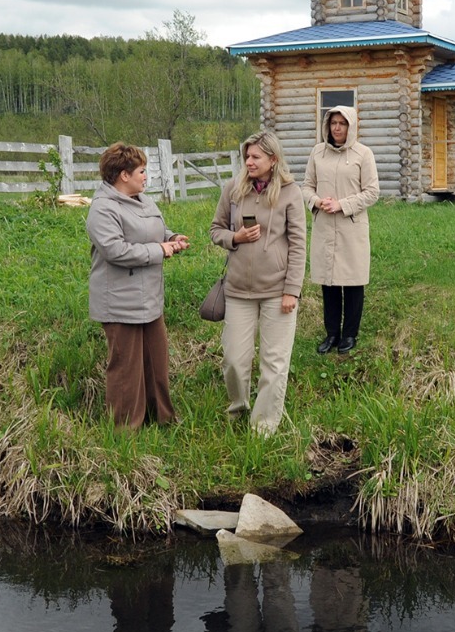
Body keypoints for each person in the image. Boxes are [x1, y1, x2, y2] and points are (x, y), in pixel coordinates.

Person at [210, 130, 306, 436]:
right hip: (238, 290)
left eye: (255, 157)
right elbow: (215, 229)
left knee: (274, 363)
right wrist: (234, 237)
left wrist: (292, 290)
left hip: (277, 291)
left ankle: (264, 427)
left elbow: (298, 244)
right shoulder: (233, 190)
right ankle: (238, 409)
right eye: (246, 157)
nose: (249, 162)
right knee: (234, 361)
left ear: (273, 160)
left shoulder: (291, 193)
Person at [86, 143, 189, 429]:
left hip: (149, 300)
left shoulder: (144, 200)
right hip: (119, 303)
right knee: (125, 370)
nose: (146, 176)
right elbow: (115, 250)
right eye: (142, 171)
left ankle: (162, 421)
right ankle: (125, 432)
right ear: (123, 175)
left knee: (156, 363)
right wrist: (160, 250)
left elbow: (152, 231)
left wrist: (173, 238)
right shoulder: (102, 209)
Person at [301, 105, 379, 355]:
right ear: (327, 125)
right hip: (325, 226)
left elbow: (372, 192)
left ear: (351, 126)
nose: (337, 128)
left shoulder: (363, 154)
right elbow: (306, 186)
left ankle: (349, 334)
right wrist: (316, 201)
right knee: (329, 282)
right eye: (333, 123)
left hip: (351, 227)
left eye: (342, 123)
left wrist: (342, 205)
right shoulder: (317, 152)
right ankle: (332, 333)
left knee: (353, 282)